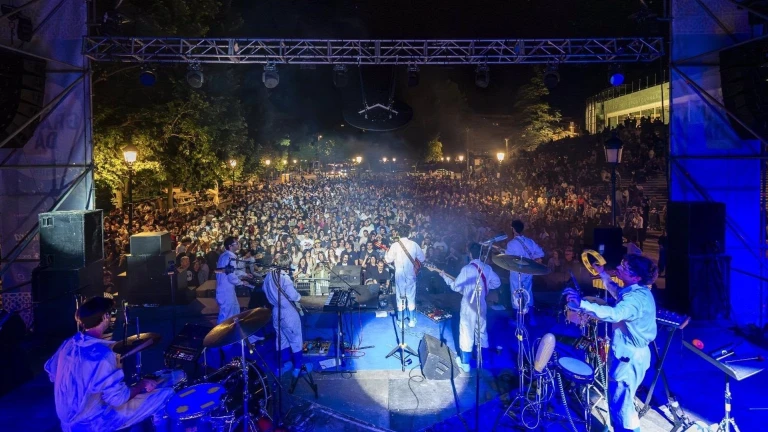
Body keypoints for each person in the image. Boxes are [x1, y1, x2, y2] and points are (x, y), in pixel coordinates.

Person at [44, 297, 178, 432]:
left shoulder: (69, 344)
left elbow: (51, 372)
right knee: (166, 394)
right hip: (93, 422)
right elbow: (118, 399)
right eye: (111, 313)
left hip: (67, 423)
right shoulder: (102, 355)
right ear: (105, 317)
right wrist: (142, 384)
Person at [564, 254, 658, 432]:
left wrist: (582, 303)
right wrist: (602, 273)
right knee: (621, 401)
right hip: (630, 354)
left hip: (629, 358)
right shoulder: (636, 290)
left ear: (636, 277)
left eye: (625, 268)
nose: (619, 268)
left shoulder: (635, 299)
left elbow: (614, 314)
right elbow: (616, 291)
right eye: (622, 263)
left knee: (623, 406)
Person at [439, 243, 501, 372]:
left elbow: (456, 287)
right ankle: (483, 359)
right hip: (481, 304)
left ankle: (465, 363)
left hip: (468, 305)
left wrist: (444, 277)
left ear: (470, 254)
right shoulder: (487, 268)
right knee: (481, 331)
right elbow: (497, 283)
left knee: (466, 332)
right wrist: (485, 288)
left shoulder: (467, 269)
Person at [263, 253, 306, 376]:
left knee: (281, 339)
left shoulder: (269, 275)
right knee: (295, 339)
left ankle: (284, 365)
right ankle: (297, 368)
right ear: (287, 264)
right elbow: (294, 296)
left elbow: (264, 290)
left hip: (276, 310)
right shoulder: (284, 278)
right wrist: (300, 297)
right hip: (287, 312)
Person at [384, 225, 426, 328]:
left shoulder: (395, 245)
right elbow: (422, 259)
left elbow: (388, 260)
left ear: (398, 233)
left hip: (399, 275)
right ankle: (411, 321)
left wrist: (386, 252)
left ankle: (401, 321)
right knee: (411, 297)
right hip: (411, 274)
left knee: (400, 297)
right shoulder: (414, 244)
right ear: (409, 233)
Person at [505, 220, 544, 326]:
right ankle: (531, 319)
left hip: (516, 272)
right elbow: (540, 253)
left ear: (513, 229)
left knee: (516, 294)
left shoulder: (511, 244)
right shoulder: (530, 241)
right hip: (528, 271)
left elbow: (508, 259)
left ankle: (518, 320)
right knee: (528, 293)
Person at [216, 236, 242, 324]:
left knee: (235, 312)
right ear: (230, 246)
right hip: (226, 291)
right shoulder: (230, 257)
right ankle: (220, 333)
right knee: (225, 317)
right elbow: (231, 277)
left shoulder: (224, 256)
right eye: (236, 243)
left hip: (227, 290)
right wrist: (241, 282)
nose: (238, 244)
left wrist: (245, 274)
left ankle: (235, 331)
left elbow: (232, 271)